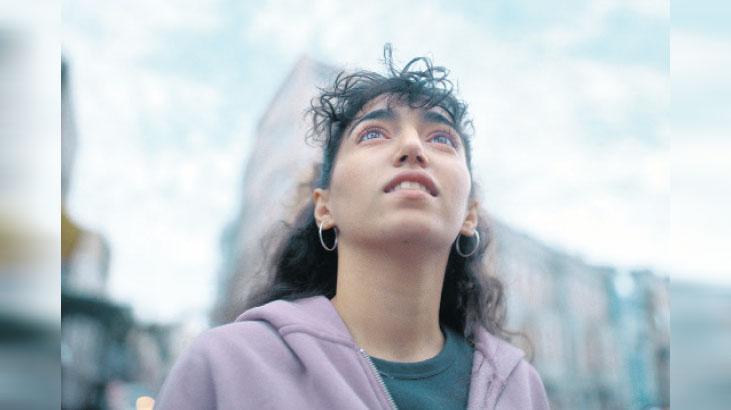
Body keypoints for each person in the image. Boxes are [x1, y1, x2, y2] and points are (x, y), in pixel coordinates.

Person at [155, 45, 550, 410]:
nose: (413, 147)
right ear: (324, 206)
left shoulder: (520, 388)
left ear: (470, 214)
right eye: (373, 133)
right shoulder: (226, 367)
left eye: (441, 138)